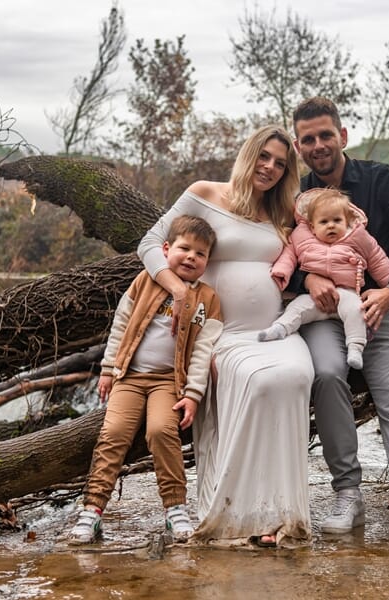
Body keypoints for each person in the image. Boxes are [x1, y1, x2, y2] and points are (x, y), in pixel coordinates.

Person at [137, 125, 314, 548]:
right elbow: (150, 243)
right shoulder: (205, 194)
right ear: (248, 154)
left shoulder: (284, 213)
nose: (270, 168)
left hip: (275, 331)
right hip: (222, 334)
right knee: (260, 381)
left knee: (296, 377)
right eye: (264, 157)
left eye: (281, 164)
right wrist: (178, 289)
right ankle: (236, 508)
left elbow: (319, 252)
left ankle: (281, 512)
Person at [291, 96, 389, 545]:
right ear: (299, 147)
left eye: (326, 135)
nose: (318, 144)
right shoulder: (296, 197)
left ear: (342, 136)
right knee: (325, 374)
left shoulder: (380, 180)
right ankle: (348, 494)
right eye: (308, 139)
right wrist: (307, 280)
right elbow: (282, 256)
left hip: (383, 309)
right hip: (325, 316)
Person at [68, 215, 223, 545]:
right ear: (166, 249)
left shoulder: (208, 299)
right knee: (112, 434)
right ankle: (92, 510)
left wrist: (193, 394)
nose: (191, 257)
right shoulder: (145, 281)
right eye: (184, 248)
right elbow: (121, 324)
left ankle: (174, 509)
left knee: (161, 431)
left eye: (201, 253)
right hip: (130, 378)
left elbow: (203, 351)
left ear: (208, 262)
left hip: (169, 382)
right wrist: (109, 369)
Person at [258, 187, 389, 371]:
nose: (331, 225)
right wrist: (281, 272)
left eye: (337, 220)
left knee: (357, 311)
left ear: (347, 221)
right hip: (314, 297)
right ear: (312, 226)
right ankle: (279, 329)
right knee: (297, 308)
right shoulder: (301, 236)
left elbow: (379, 261)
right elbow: (288, 255)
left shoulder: (359, 237)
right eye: (324, 222)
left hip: (346, 293)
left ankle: (355, 348)